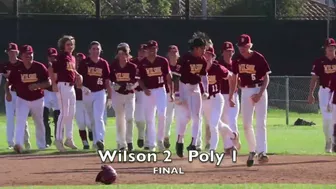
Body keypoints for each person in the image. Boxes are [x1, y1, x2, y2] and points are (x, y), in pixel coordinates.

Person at [231, 34, 271, 167]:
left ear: (250, 45)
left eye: (245, 46)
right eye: (240, 46)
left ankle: (262, 152)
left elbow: (266, 78)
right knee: (247, 124)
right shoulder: (236, 59)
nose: (242, 48)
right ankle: (252, 150)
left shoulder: (258, 57)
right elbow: (235, 76)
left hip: (259, 89)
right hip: (246, 90)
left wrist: (260, 94)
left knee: (261, 122)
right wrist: (234, 90)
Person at [7, 45, 51, 153]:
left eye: (30, 53)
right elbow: (9, 82)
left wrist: (38, 85)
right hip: (22, 99)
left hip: (38, 99)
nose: (29, 56)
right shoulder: (17, 68)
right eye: (26, 54)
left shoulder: (39, 67)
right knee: (20, 121)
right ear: (21, 56)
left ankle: (41, 145)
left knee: (39, 122)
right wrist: (7, 92)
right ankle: (18, 144)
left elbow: (48, 82)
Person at [173, 34, 209, 157]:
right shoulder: (184, 58)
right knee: (185, 117)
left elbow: (203, 77)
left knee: (197, 116)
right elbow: (176, 77)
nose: (204, 51)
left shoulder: (203, 60)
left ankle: (193, 143)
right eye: (203, 48)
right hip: (184, 87)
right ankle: (179, 140)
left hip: (195, 88)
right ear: (196, 48)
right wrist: (177, 93)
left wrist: (205, 90)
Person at [202, 46, 241, 152]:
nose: (206, 57)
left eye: (209, 55)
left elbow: (232, 76)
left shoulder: (217, 67)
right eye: (205, 55)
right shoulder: (198, 69)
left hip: (216, 100)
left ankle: (212, 150)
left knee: (213, 126)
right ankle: (233, 134)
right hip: (204, 101)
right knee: (217, 124)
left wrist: (231, 94)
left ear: (213, 57)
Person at [138, 40, 173, 152]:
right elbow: (140, 79)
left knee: (162, 115)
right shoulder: (143, 62)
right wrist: (144, 89)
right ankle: (152, 143)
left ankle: (160, 140)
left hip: (160, 90)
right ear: (146, 50)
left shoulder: (162, 61)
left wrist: (171, 93)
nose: (152, 51)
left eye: (154, 48)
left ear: (157, 49)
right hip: (148, 92)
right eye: (150, 48)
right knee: (149, 118)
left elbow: (168, 78)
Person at [78, 41, 112, 151]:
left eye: (97, 49)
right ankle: (95, 141)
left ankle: (100, 140)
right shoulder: (84, 63)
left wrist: (110, 96)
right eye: (93, 48)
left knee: (99, 116)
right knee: (91, 119)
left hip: (100, 92)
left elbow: (107, 81)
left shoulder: (104, 63)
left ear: (100, 50)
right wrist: (82, 87)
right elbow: (78, 78)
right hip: (87, 93)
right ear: (89, 50)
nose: (95, 51)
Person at [51, 35, 82, 152]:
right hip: (62, 85)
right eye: (68, 44)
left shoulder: (72, 58)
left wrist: (78, 74)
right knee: (64, 113)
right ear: (63, 46)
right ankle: (58, 139)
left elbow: (71, 70)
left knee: (71, 113)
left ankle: (69, 139)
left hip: (71, 86)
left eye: (72, 44)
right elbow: (52, 70)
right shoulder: (60, 57)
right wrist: (54, 84)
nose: (70, 46)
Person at [309, 38, 336, 153]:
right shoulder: (319, 62)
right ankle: (328, 140)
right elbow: (314, 78)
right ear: (325, 48)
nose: (331, 48)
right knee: (327, 119)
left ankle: (334, 142)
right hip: (324, 91)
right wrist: (310, 93)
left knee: (334, 119)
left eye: (333, 46)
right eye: (329, 47)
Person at [1, 42, 30, 150]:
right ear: (7, 53)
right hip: (9, 93)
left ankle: (25, 140)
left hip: (21, 93)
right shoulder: (4, 65)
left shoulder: (23, 64)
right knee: (9, 117)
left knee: (22, 117)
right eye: (9, 52)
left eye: (13, 52)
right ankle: (10, 143)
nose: (11, 54)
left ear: (17, 52)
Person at [110, 44, 138, 151]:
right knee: (120, 119)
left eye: (124, 53)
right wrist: (113, 85)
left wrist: (133, 85)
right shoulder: (113, 66)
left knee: (130, 118)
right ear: (117, 54)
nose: (122, 56)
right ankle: (121, 143)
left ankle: (129, 141)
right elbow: (109, 79)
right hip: (118, 95)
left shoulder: (132, 67)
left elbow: (138, 80)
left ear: (128, 54)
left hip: (129, 95)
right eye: (120, 53)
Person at [218, 41, 240, 155]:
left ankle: (233, 144)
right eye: (226, 51)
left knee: (232, 120)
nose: (229, 53)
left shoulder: (235, 64)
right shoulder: (218, 64)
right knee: (223, 122)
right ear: (222, 52)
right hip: (221, 95)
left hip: (234, 95)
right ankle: (227, 147)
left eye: (231, 51)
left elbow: (239, 81)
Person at [130, 44, 147, 148]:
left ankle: (146, 139)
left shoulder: (148, 62)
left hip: (146, 91)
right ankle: (141, 135)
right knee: (138, 117)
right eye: (140, 51)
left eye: (144, 51)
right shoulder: (133, 62)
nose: (141, 53)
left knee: (148, 117)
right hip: (134, 92)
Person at [75, 53, 92, 150]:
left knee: (89, 122)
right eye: (78, 60)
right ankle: (85, 142)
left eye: (81, 60)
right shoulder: (72, 72)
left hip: (87, 98)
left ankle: (90, 130)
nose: (79, 62)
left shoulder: (87, 72)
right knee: (81, 122)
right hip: (77, 100)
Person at [43, 47, 60, 147]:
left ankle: (58, 139)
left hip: (57, 93)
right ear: (47, 57)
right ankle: (47, 139)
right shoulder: (44, 67)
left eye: (54, 56)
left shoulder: (60, 67)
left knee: (57, 118)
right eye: (50, 56)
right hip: (46, 93)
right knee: (44, 117)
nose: (52, 58)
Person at [164, 45, 180, 149]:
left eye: (175, 51)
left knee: (180, 117)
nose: (173, 53)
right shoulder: (166, 64)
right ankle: (166, 136)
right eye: (171, 52)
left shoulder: (181, 64)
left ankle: (179, 140)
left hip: (179, 94)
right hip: (167, 93)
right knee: (168, 116)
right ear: (168, 53)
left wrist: (178, 94)